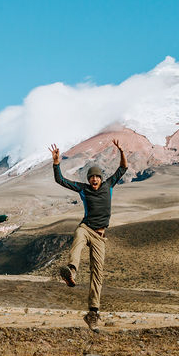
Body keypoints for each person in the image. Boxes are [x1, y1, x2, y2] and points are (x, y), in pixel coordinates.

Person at [49, 139, 128, 331]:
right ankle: (71, 271)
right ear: (88, 179)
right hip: (86, 228)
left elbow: (123, 168)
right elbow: (61, 181)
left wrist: (121, 151)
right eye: (91, 177)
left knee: (97, 273)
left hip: (100, 236)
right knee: (78, 236)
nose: (94, 180)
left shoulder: (109, 185)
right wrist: (56, 163)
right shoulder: (83, 189)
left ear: (101, 178)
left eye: (97, 177)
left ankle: (93, 313)